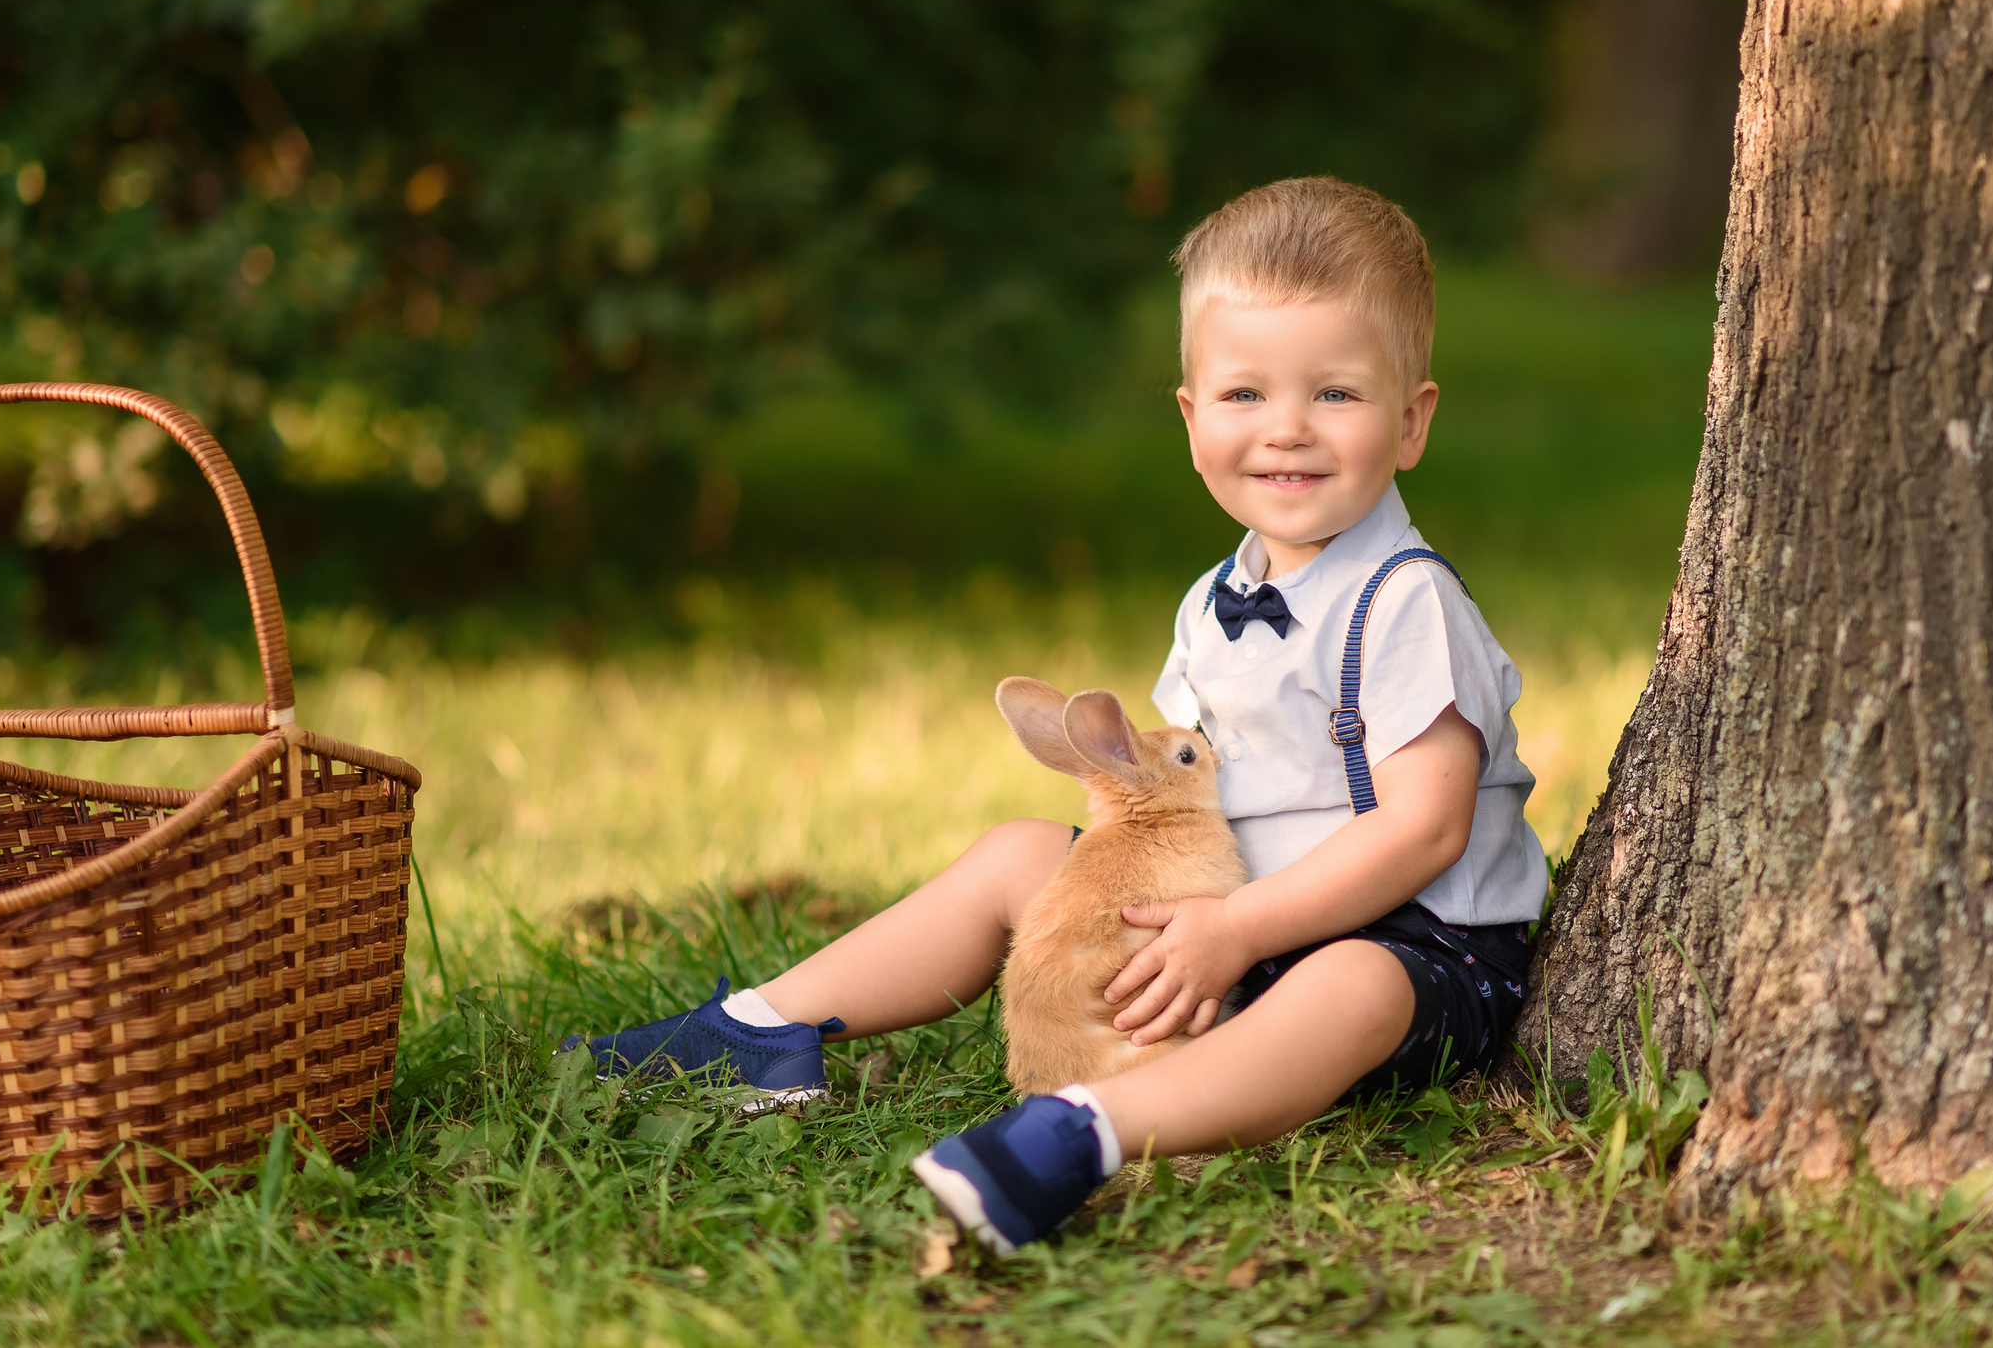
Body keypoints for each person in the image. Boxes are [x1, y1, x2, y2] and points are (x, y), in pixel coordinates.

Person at [564, 177, 1547, 1253]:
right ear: (1190, 417)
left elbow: (1424, 828)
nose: (1287, 432)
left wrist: (1238, 932)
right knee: (1022, 852)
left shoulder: (1406, 600)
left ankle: (1081, 1133)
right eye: (1244, 395)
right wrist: (1148, 884)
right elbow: (1177, 779)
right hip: (1224, 916)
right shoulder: (1212, 594)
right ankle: (764, 1027)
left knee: (1352, 985)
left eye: (1338, 396)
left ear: (1411, 421)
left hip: (1412, 946)